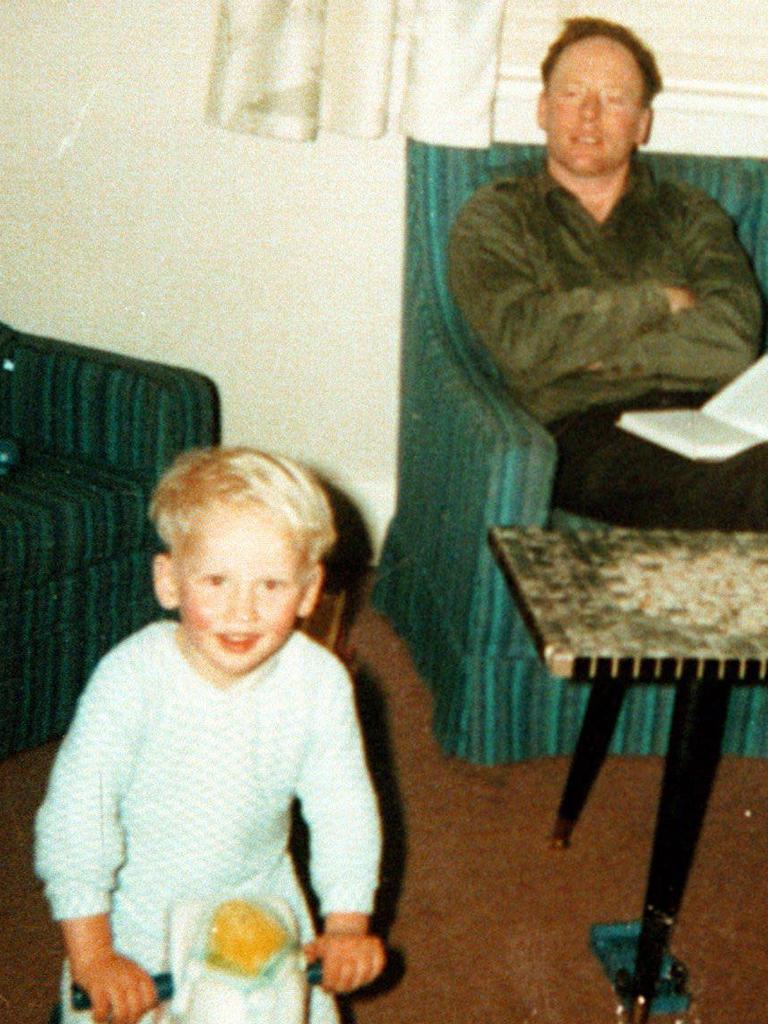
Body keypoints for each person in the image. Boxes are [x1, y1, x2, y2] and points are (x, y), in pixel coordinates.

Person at [35, 446, 385, 1024]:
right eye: (217, 580)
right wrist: (94, 953)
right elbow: (78, 816)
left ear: (308, 591)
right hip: (138, 915)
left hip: (262, 901)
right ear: (170, 581)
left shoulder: (319, 683)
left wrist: (347, 923)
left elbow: (344, 807)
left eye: (271, 585)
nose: (242, 610)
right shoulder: (132, 678)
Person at [448, 17, 767, 529]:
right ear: (543, 109)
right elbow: (524, 340)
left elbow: (733, 340)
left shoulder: (688, 212)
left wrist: (588, 351)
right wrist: (659, 300)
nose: (590, 114)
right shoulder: (497, 216)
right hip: (586, 429)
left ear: (642, 123)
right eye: (572, 93)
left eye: (616, 99)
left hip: (711, 415)